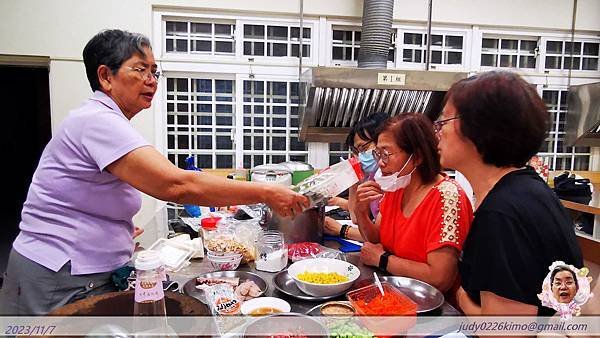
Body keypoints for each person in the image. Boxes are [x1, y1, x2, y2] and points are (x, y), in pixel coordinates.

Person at [0, 29, 308, 315]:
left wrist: (112, 230)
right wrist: (267, 192)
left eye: (154, 71)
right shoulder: (97, 121)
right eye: (140, 69)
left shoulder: (106, 121)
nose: (152, 80)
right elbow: (176, 185)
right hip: (57, 277)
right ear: (106, 76)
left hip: (78, 271)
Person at [436, 71, 583, 315]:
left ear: (479, 128)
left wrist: (462, 298)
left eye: (444, 121)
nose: (438, 131)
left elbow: (506, 331)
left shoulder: (501, 214)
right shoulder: (527, 189)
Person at [355, 113, 473, 292]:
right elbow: (375, 238)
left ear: (417, 156)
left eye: (386, 153)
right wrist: (361, 212)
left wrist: (383, 259)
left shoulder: (447, 196)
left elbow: (440, 278)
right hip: (397, 292)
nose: (380, 163)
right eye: (377, 153)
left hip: (433, 307)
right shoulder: (397, 187)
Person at [323, 112, 389, 242]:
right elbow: (356, 217)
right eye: (357, 152)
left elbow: (383, 236)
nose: (360, 156)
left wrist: (341, 230)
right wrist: (354, 175)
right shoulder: (374, 177)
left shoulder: (395, 181)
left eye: (363, 148)